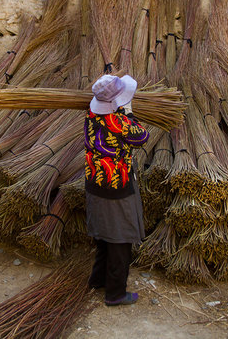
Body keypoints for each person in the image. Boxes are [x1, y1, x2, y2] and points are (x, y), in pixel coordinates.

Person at [84, 74, 149, 306]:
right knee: (120, 239)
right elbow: (142, 136)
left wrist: (120, 109)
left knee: (103, 234)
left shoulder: (91, 114)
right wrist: (129, 113)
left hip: (94, 181)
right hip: (116, 186)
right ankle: (115, 293)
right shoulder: (119, 122)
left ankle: (97, 279)